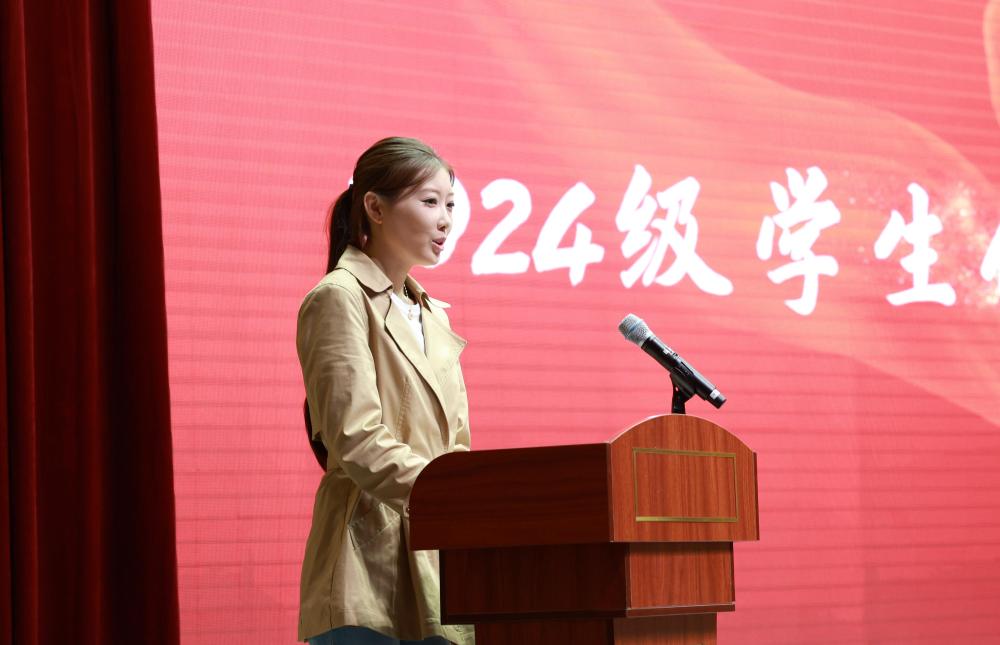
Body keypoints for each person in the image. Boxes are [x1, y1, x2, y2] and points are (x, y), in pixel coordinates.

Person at [296, 137, 473, 645]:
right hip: (366, 560)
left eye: (451, 205)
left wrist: (472, 507)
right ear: (375, 208)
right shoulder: (338, 297)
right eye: (430, 202)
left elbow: (455, 446)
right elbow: (356, 437)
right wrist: (451, 501)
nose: (446, 220)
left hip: (439, 556)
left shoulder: (433, 314)